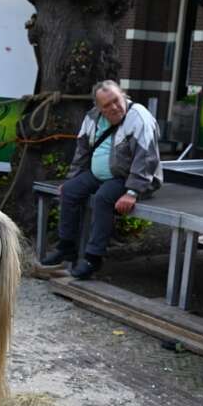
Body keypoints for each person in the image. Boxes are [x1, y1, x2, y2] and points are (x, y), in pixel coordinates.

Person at [39, 80, 163, 280]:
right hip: (98, 174)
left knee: (103, 198)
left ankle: (93, 258)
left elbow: (147, 158)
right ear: (99, 108)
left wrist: (132, 192)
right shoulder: (92, 117)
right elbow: (82, 152)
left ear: (123, 95)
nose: (114, 107)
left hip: (129, 177)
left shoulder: (139, 117)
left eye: (116, 100)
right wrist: (73, 179)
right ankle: (66, 246)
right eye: (107, 105)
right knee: (69, 190)